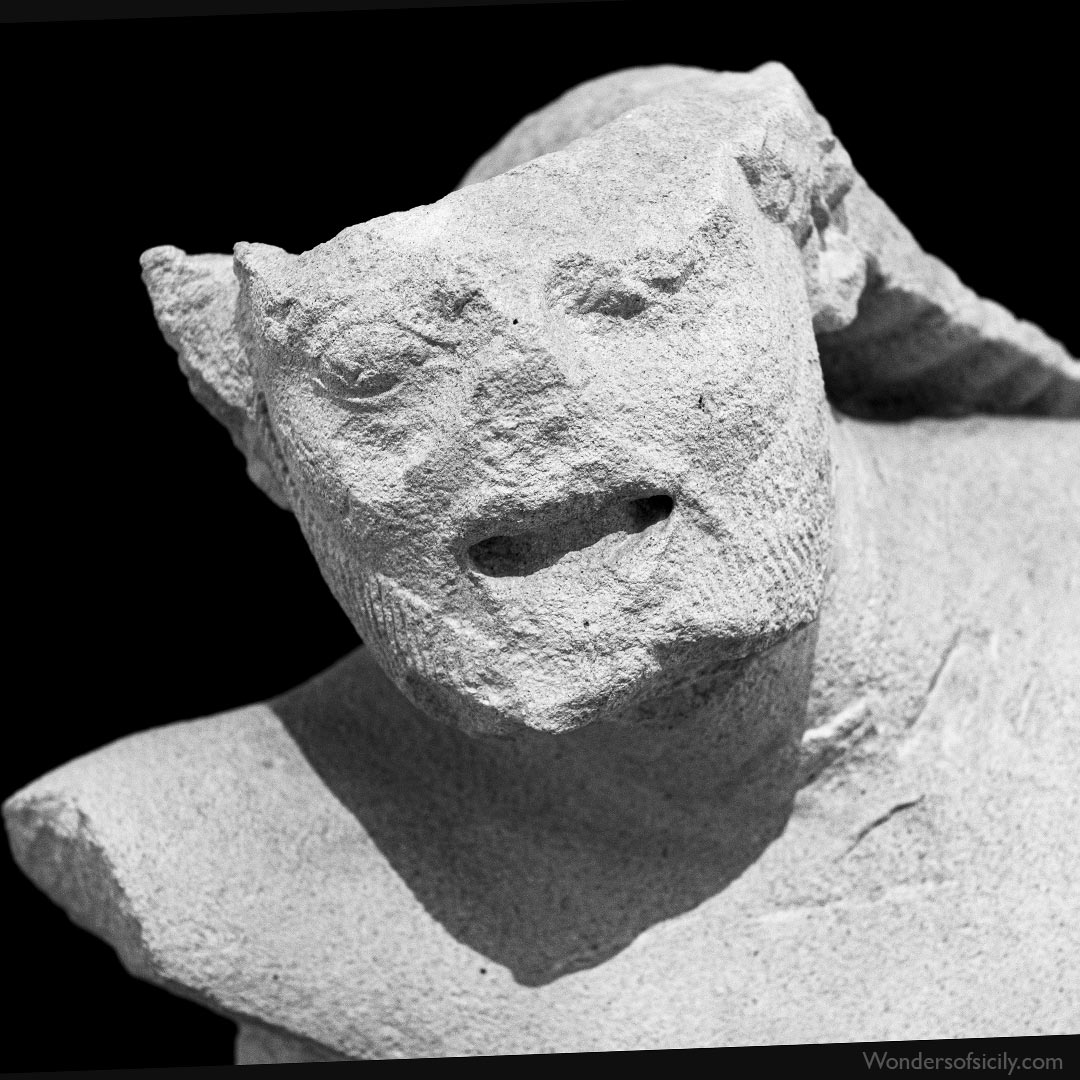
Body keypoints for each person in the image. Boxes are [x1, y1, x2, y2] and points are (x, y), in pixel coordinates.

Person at [6, 63, 1078, 1061]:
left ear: (815, 265)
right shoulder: (199, 841)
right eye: (373, 373)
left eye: (634, 293)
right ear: (268, 447)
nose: (530, 417)